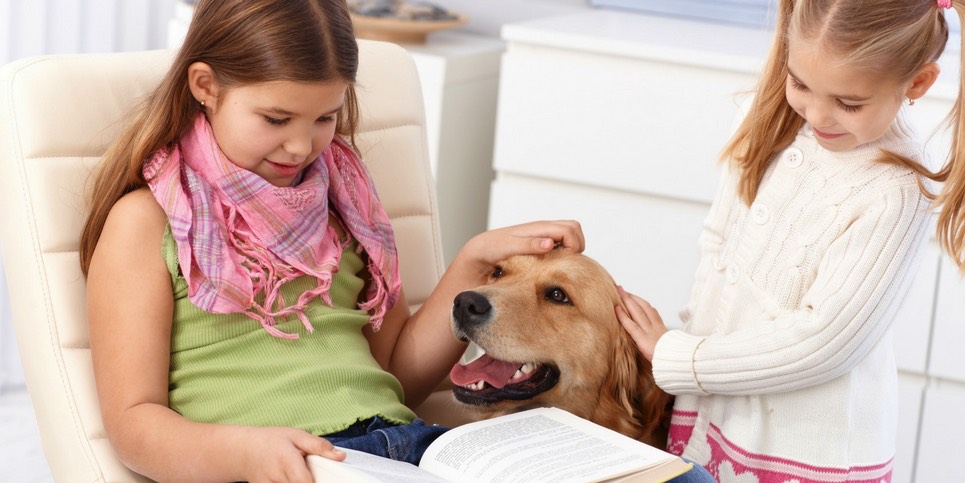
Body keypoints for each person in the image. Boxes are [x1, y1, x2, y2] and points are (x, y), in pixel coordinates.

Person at [78, 1, 587, 481]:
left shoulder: (347, 207)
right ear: (205, 86)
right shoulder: (145, 221)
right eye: (276, 119)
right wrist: (246, 452)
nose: (302, 146)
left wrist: (475, 260)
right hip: (287, 466)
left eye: (325, 118)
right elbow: (133, 424)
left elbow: (397, 376)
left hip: (407, 445)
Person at [616, 0, 965, 481]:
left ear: (918, 84)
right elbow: (719, 244)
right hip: (715, 418)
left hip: (808, 456)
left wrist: (679, 357)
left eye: (849, 103)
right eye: (800, 82)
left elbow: (824, 341)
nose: (817, 114)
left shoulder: (893, 191)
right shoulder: (771, 122)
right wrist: (689, 359)